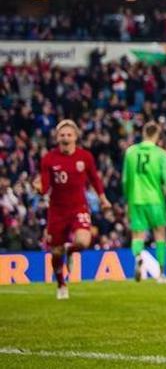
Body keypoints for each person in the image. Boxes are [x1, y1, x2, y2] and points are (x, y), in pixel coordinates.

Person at [38, 120, 111, 300]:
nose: (65, 137)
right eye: (62, 135)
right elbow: (45, 188)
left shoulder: (85, 157)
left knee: (83, 241)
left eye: (69, 134)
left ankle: (71, 251)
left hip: (79, 206)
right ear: (57, 137)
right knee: (55, 252)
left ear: (75, 137)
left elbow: (94, 179)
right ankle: (61, 283)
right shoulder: (49, 159)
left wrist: (103, 199)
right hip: (57, 210)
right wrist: (38, 187)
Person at [122, 122, 166, 284]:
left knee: (138, 234)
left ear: (143, 133)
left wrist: (127, 198)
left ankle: (138, 256)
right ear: (157, 136)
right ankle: (161, 274)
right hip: (155, 200)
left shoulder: (131, 152)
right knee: (160, 234)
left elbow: (125, 179)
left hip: (136, 199)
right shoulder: (161, 154)